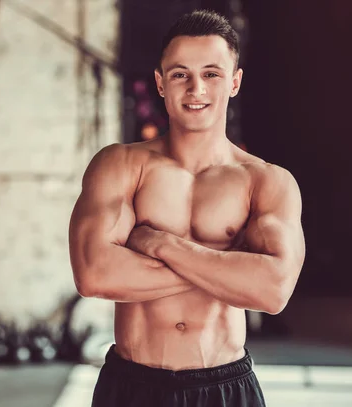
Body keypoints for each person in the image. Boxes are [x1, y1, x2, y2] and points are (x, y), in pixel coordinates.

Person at [68, 9, 305, 407]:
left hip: (224, 386)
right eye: (180, 74)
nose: (196, 88)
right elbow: (93, 275)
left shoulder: (266, 181)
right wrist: (228, 266)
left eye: (211, 73)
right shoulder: (120, 165)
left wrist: (161, 245)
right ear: (161, 83)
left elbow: (273, 290)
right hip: (132, 384)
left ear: (235, 81)